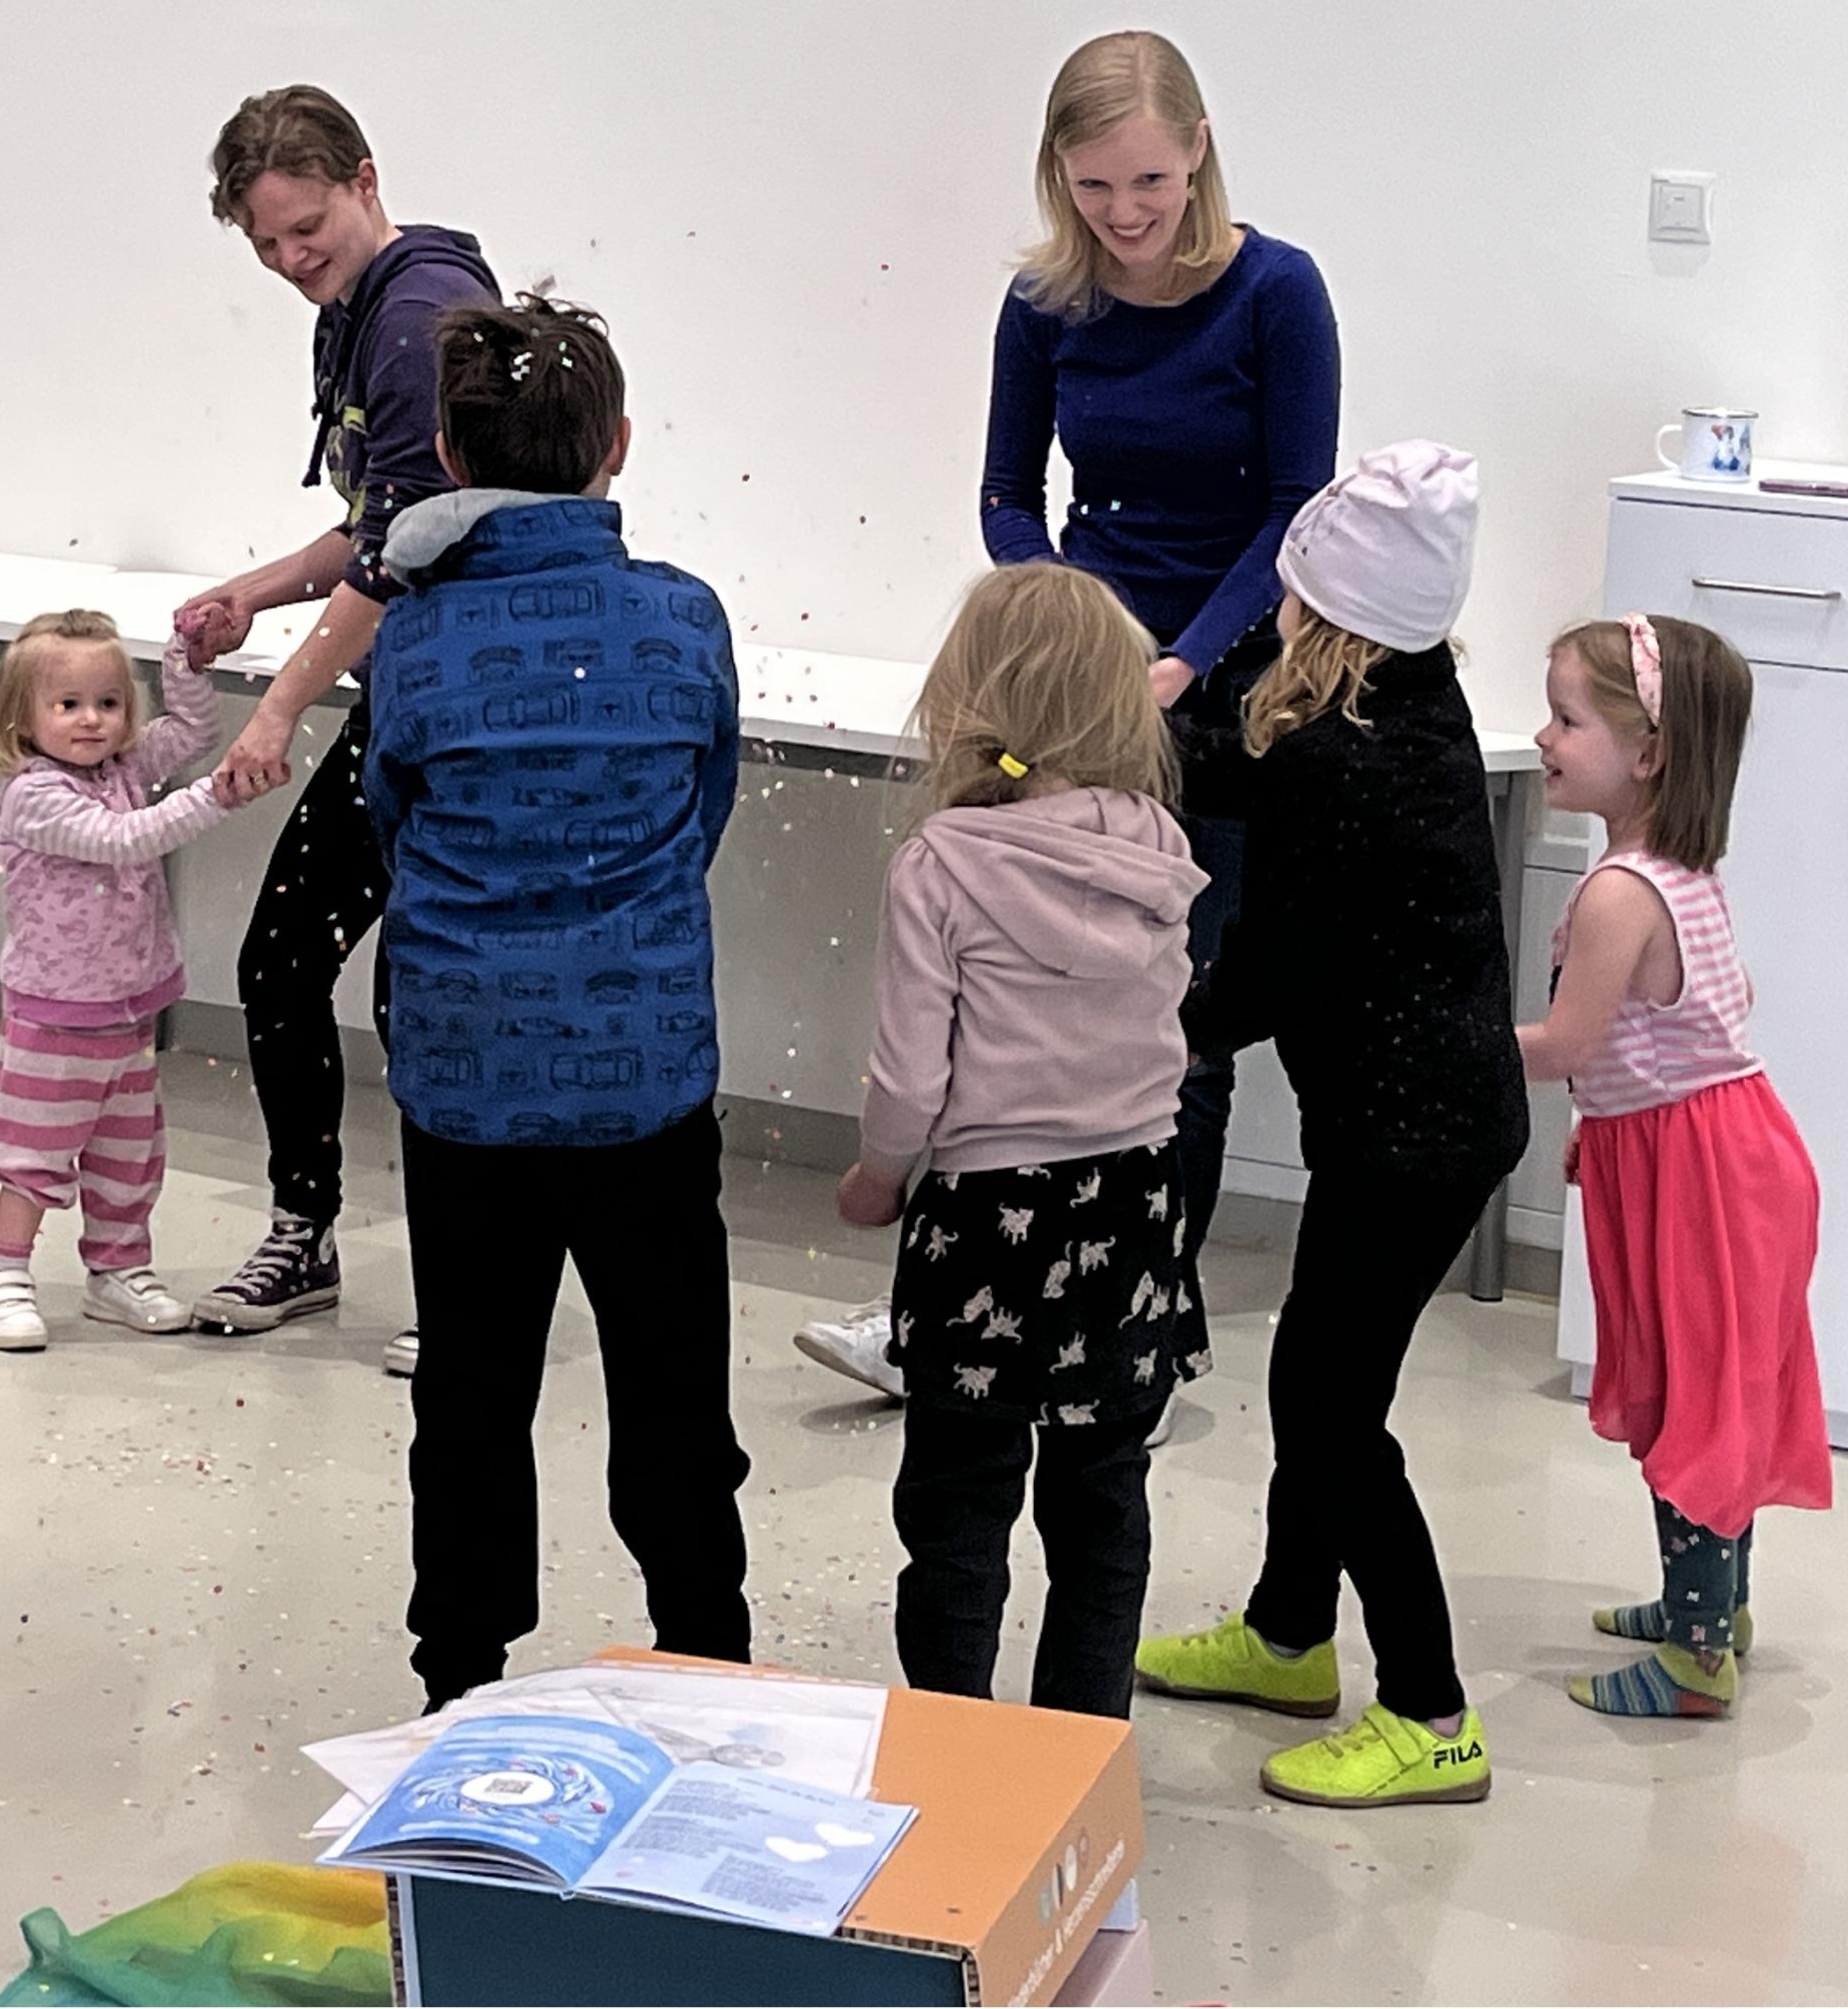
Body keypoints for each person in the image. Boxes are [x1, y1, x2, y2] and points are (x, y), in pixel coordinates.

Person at [796, 29, 1340, 1441]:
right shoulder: (1045, 300)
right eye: (1094, 187)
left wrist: (1179, 660)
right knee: (994, 1002)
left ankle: (1143, 1334)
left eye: (1148, 181)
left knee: (1177, 1023)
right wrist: (1065, 631)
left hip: (1221, 689)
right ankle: (952, 1315)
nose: (1125, 212)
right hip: (1073, 688)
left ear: (1199, 151)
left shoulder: (1277, 292)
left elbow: (1296, 509)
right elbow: (1006, 492)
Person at [363, 296, 751, 1708]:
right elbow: (704, 809)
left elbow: (391, 822)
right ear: (617, 445)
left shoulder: (413, 639)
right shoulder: (682, 618)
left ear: (450, 456)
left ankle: (459, 1675)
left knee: (469, 1385)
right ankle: (704, 1648)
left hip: (465, 1075)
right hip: (643, 1072)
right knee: (673, 1383)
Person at [1133, 443, 1523, 1808]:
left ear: (1324, 611)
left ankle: (1429, 1709)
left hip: (1407, 1136)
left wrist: (1157, 1029)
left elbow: (1268, 971)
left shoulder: (1336, 764)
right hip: (1429, 1116)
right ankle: (1289, 1633)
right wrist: (1128, 748)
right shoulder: (1410, 704)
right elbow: (1250, 771)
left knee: (1327, 1404)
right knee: (1325, 1368)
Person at [837, 564, 1208, 1718]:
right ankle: (1078, 1750)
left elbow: (910, 1075)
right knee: (1102, 1499)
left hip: (985, 1220)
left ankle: (953, 1737)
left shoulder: (940, 861)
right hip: (1134, 1201)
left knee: (956, 1499)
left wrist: (876, 1176)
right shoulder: (1155, 845)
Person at [175, 85, 501, 1373]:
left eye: (304, 229)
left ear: (365, 178)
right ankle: (303, 1233)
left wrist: (275, 708)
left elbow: (401, 554)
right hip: (404, 692)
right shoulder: (357, 308)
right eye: (265, 244)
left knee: (418, 996)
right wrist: (251, 593)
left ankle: (463, 1282)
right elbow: (369, 525)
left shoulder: (418, 317)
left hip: (466, 711)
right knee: (282, 962)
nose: (288, 260)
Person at [1519, 611, 1830, 1717]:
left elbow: (1563, 1042)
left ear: (1646, 753)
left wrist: (1441, 1045)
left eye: (1566, 720)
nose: (1543, 738)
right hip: (1719, 1156)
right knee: (1710, 1387)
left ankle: (1698, 1661)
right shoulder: (1679, 871)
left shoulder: (1618, 892)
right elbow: (1699, 1020)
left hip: (1697, 1178)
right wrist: (1605, 1117)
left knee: (1692, 1397)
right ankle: (1713, 1607)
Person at [0, 611, 237, 1349]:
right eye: (68, 704)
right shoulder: (34, 795)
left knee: (128, 1155)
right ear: (21, 716)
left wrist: (185, 660)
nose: (92, 720)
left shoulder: (122, 768)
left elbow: (195, 730)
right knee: (34, 1155)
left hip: (129, 1014)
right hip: (54, 1018)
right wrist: (217, 796)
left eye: (109, 702)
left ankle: (118, 1269)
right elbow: (123, 839)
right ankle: (4, 1274)